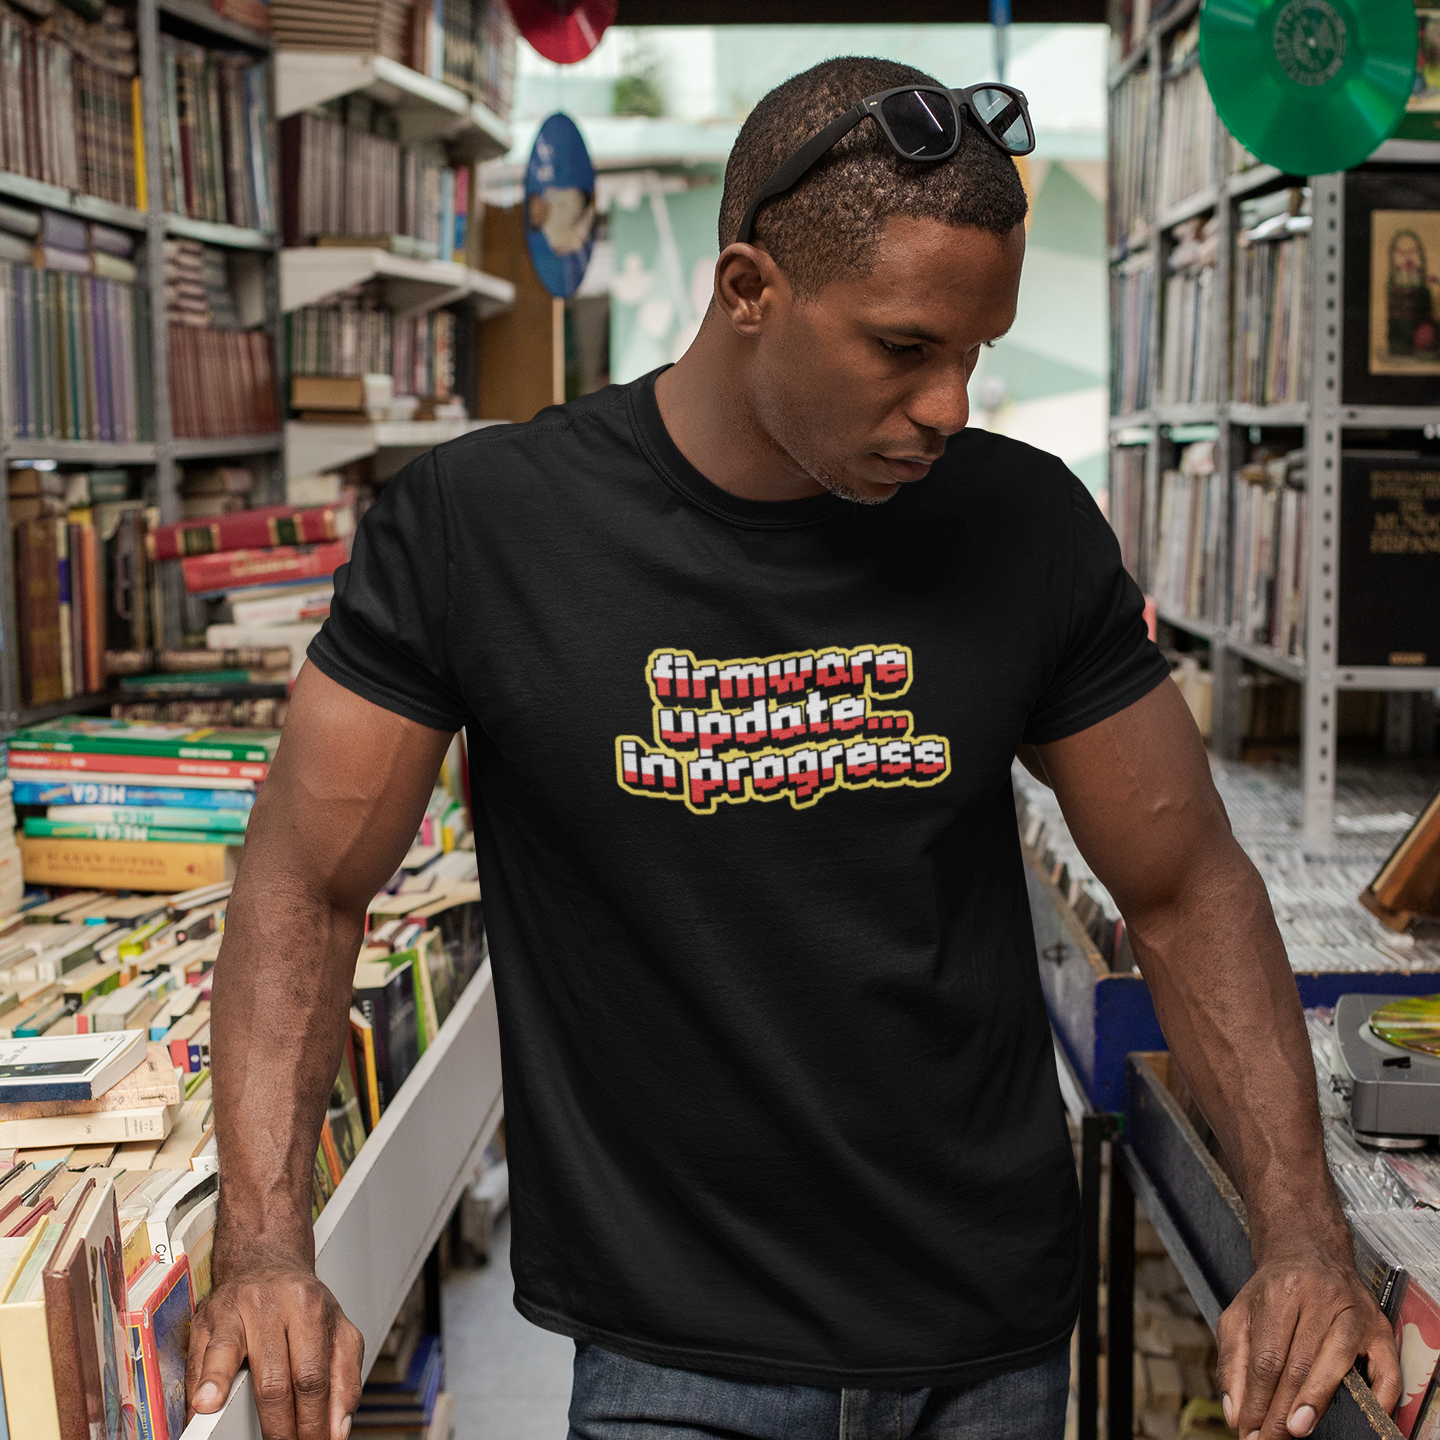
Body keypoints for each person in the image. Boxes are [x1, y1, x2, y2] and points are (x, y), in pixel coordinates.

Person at [185, 55, 1401, 1440]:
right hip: (673, 1358)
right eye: (904, 348)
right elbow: (306, 883)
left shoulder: (1023, 524)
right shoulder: (482, 529)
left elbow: (1185, 888)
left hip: (989, 1344)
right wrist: (266, 1249)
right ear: (747, 289)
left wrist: (1301, 1237)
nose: (950, 405)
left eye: (976, 353)